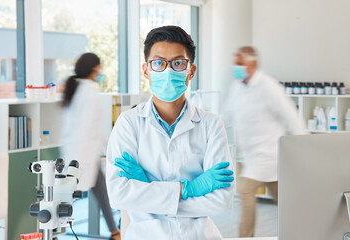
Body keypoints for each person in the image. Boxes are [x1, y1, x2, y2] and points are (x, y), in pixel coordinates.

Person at [106, 26, 235, 240]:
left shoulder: (211, 124)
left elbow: (221, 200)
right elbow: (119, 195)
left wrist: (148, 188)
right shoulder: (129, 123)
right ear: (146, 70)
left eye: (178, 63)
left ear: (191, 71)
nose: (167, 71)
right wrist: (187, 190)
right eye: (158, 63)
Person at [223, 46, 306, 237]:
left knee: (245, 192)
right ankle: (304, 227)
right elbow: (227, 115)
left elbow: (291, 117)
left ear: (252, 64)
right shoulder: (236, 86)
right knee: (282, 199)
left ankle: (246, 237)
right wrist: (209, 129)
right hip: (251, 156)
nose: (235, 67)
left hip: (268, 154)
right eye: (235, 63)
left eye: (239, 63)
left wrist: (303, 147)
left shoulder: (269, 86)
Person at [60, 53, 120, 240]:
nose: (100, 70)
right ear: (94, 68)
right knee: (65, 198)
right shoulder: (88, 91)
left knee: (101, 193)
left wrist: (109, 147)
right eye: (99, 67)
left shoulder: (79, 89)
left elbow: (91, 128)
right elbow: (85, 128)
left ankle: (115, 232)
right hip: (81, 156)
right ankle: (52, 230)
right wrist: (78, 161)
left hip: (82, 153)